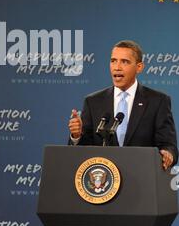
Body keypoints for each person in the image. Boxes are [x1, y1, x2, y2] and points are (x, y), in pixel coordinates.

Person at [68, 40, 178, 170]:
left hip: (142, 179)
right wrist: (76, 136)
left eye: (124, 62)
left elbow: (168, 145)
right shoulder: (93, 101)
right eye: (113, 61)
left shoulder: (158, 101)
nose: (117, 67)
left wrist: (167, 154)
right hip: (104, 182)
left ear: (139, 67)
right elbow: (82, 151)